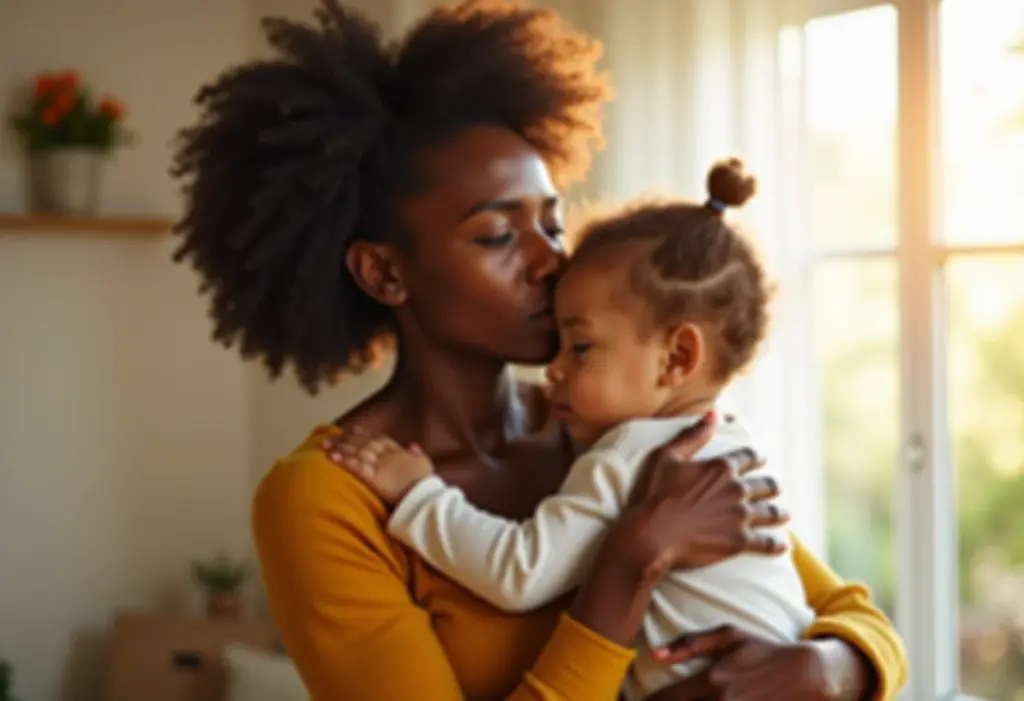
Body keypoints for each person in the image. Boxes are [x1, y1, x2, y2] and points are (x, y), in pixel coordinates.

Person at [170, 1, 907, 699]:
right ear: (385, 271)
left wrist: (820, 670)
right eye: (497, 236)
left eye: (552, 225)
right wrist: (627, 563)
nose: (550, 261)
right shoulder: (329, 496)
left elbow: (855, 617)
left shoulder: (609, 416)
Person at [331, 160, 817, 700]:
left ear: (677, 357)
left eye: (580, 348)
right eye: (496, 235)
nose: (553, 370)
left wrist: (418, 495)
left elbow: (519, 573)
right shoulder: (728, 437)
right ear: (382, 270)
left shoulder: (628, 455)